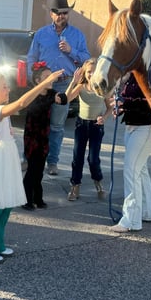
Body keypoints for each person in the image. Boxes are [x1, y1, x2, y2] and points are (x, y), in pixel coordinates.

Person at [0, 65, 64, 264]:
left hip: (6, 157)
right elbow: (22, 102)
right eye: (4, 88)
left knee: (6, 204)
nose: (8, 90)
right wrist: (47, 82)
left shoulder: (0, 112)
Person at [26, 0, 90, 176]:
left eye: (65, 13)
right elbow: (32, 57)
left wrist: (71, 51)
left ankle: (52, 162)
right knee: (35, 124)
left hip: (64, 85)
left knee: (56, 126)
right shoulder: (41, 34)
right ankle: (29, 158)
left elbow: (86, 59)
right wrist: (33, 78)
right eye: (58, 13)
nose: (62, 16)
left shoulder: (77, 35)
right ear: (51, 13)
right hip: (43, 85)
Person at [110, 74, 151, 233]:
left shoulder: (149, 76)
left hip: (146, 127)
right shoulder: (131, 77)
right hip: (133, 126)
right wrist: (121, 107)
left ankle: (131, 220)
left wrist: (125, 104)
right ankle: (148, 212)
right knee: (141, 169)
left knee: (131, 171)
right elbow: (129, 100)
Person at [63, 59, 112, 201]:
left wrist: (104, 117)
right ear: (85, 72)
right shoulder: (81, 87)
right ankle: (75, 186)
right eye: (89, 72)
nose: (91, 74)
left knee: (93, 159)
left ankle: (98, 183)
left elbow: (109, 107)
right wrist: (73, 82)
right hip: (81, 125)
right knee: (77, 157)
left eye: (94, 71)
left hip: (96, 126)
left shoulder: (102, 88)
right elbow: (66, 99)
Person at [21, 63, 67, 211]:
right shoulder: (32, 94)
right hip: (31, 138)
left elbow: (64, 99)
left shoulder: (51, 93)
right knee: (32, 170)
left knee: (39, 170)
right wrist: (52, 99)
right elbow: (37, 108)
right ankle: (26, 199)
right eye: (46, 77)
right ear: (37, 81)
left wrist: (75, 83)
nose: (51, 79)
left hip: (43, 137)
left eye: (51, 76)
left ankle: (38, 198)